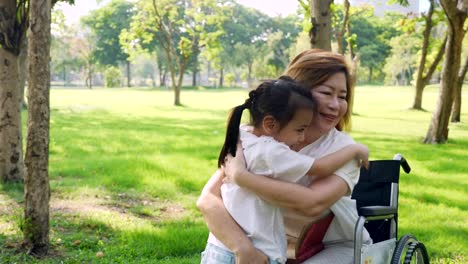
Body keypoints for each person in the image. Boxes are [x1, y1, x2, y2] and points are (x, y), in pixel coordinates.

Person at [197, 49, 372, 264]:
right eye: (326, 93)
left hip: (330, 246)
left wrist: (242, 177)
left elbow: (312, 204)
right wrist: (242, 248)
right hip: (269, 242)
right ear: (299, 92)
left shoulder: (344, 150)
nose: (336, 105)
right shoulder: (257, 139)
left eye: (342, 97)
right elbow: (208, 199)